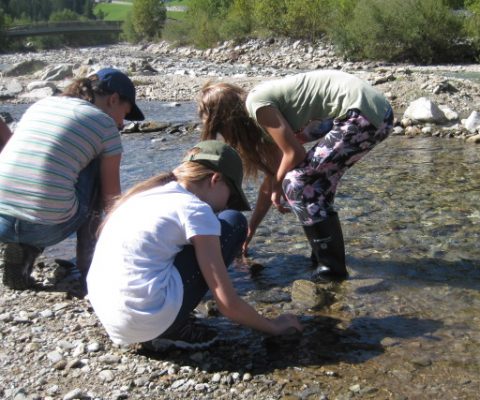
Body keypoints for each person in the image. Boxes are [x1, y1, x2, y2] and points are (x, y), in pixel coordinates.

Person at [86, 141, 303, 350]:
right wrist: (274, 326)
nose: (226, 204)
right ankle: (173, 330)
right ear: (215, 179)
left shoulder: (142, 196)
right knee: (233, 221)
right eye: (231, 196)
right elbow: (228, 306)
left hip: (112, 319)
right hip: (147, 321)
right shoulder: (194, 209)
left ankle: (170, 317)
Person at [198, 70, 394, 282]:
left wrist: (278, 184)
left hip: (361, 115)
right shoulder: (262, 121)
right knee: (316, 186)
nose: (226, 135)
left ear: (227, 117)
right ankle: (322, 257)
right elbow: (273, 176)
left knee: (297, 183)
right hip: (377, 116)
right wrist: (250, 230)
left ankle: (331, 268)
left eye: (221, 128)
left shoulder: (257, 104)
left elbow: (294, 154)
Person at [0, 68, 145, 290]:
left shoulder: (42, 105)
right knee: (96, 169)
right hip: (45, 227)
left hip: (2, 221)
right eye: (124, 114)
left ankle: (22, 254)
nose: (122, 124)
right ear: (113, 99)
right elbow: (111, 200)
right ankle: (89, 267)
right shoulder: (105, 126)